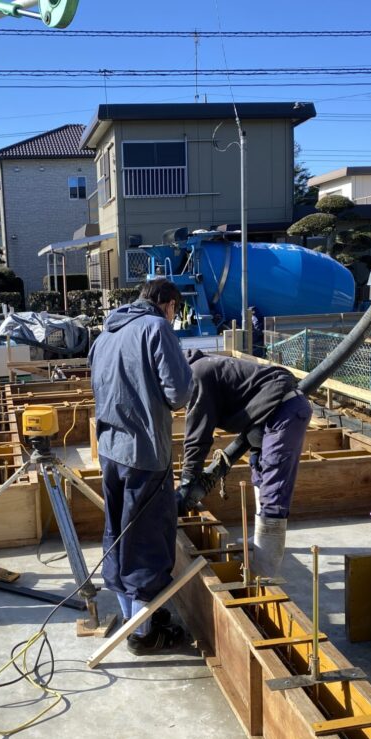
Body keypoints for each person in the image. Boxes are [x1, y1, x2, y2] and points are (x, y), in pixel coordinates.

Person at [89, 278, 193, 655]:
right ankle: (143, 633)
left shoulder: (105, 335)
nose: (174, 317)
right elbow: (178, 394)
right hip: (144, 455)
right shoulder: (156, 327)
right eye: (175, 310)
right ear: (166, 303)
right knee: (148, 543)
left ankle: (136, 615)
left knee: (118, 533)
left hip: (110, 450)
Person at [179, 352, 312, 577]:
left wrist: (188, 478)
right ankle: (260, 540)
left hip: (284, 410)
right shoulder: (201, 367)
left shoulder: (198, 374)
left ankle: (266, 569)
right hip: (264, 414)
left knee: (274, 487)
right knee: (259, 469)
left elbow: (198, 434)